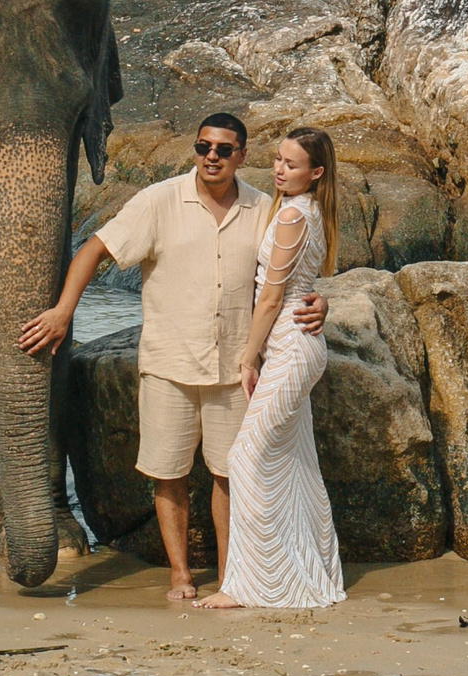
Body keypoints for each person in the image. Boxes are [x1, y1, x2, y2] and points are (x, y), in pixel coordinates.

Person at [20, 114, 325, 601]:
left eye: (224, 149)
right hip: (168, 364)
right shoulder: (159, 201)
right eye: (204, 146)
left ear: (242, 156)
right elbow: (93, 250)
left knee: (233, 476)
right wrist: (61, 312)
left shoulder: (266, 208)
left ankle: (231, 578)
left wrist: (317, 301)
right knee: (169, 474)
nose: (212, 156)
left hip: (235, 370)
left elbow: (287, 275)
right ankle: (180, 575)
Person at [201, 126, 345, 611]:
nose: (279, 169)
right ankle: (304, 569)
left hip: (289, 349)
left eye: (292, 164)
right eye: (278, 160)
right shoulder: (310, 210)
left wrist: (247, 357)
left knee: (245, 458)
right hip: (297, 346)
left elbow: (271, 296)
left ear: (316, 172)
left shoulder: (290, 215)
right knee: (294, 463)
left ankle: (250, 584)